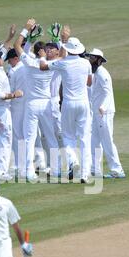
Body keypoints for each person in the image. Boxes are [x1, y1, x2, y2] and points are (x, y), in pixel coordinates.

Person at [40, 31, 93, 183]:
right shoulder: (86, 63)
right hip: (83, 103)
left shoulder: (62, 63)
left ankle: (74, 161)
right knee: (84, 138)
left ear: (68, 50)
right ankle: (84, 173)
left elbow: (43, 67)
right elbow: (89, 82)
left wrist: (43, 54)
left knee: (68, 137)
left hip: (69, 104)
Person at [14, 19, 60, 181]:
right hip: (46, 104)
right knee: (51, 136)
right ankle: (55, 170)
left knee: (30, 138)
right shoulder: (52, 64)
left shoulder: (30, 63)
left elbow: (17, 47)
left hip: (32, 104)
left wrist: (26, 30)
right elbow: (64, 55)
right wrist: (57, 39)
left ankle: (28, 171)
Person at [0, 47, 23, 183]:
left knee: (0, 140)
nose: (2, 58)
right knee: (5, 140)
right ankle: (0, 172)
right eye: (0, 57)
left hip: (0, 110)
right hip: (0, 111)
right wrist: (15, 95)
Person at [86, 48, 125, 178]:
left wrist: (103, 107)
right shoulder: (94, 73)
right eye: (89, 57)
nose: (89, 59)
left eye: (92, 58)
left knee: (107, 141)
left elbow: (108, 93)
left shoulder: (103, 74)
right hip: (96, 113)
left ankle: (117, 170)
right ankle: (95, 169)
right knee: (94, 141)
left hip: (105, 112)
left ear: (98, 60)